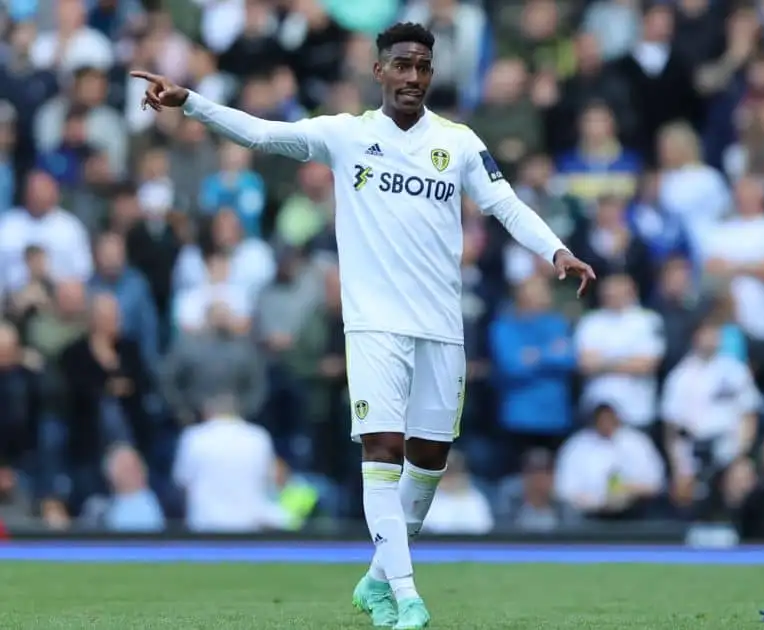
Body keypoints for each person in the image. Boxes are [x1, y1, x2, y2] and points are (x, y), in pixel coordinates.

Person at [132, 22, 596, 630]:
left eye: (423, 67)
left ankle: (376, 580)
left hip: (441, 326)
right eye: (402, 64)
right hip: (374, 324)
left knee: (429, 461)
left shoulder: (457, 142)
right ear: (379, 71)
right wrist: (190, 102)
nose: (412, 76)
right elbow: (265, 134)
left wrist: (556, 251)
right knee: (384, 449)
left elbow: (504, 203)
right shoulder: (346, 135)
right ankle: (405, 596)